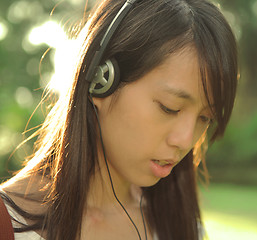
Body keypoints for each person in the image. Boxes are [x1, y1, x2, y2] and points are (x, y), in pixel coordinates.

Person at [0, 0, 238, 239]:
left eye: (205, 118)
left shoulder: (184, 230)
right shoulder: (9, 223)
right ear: (101, 80)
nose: (186, 140)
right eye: (169, 108)